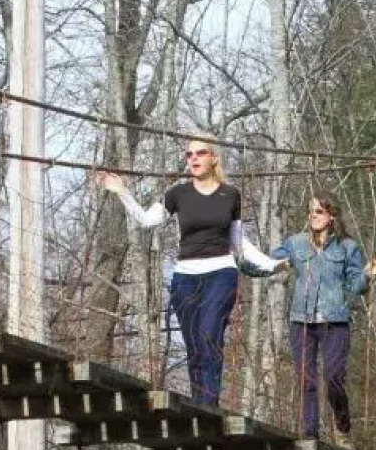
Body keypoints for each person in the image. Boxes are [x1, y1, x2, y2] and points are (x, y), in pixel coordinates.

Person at [94, 138, 278, 407]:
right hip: (185, 278)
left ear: (214, 158)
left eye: (200, 153)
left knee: (209, 334)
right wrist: (123, 191)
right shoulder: (177, 194)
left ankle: (209, 404)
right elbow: (147, 221)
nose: (193, 158)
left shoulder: (231, 195)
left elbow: (238, 242)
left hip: (221, 273)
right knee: (193, 343)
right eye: (189, 154)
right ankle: (199, 403)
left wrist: (270, 264)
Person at [265, 194, 376, 449]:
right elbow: (267, 264)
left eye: (319, 211)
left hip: (335, 321)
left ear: (331, 216)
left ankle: (342, 427)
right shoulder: (295, 244)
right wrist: (241, 257)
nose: (313, 215)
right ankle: (310, 435)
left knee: (333, 377)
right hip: (302, 321)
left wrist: (368, 274)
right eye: (311, 211)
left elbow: (356, 286)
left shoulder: (347, 247)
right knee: (306, 380)